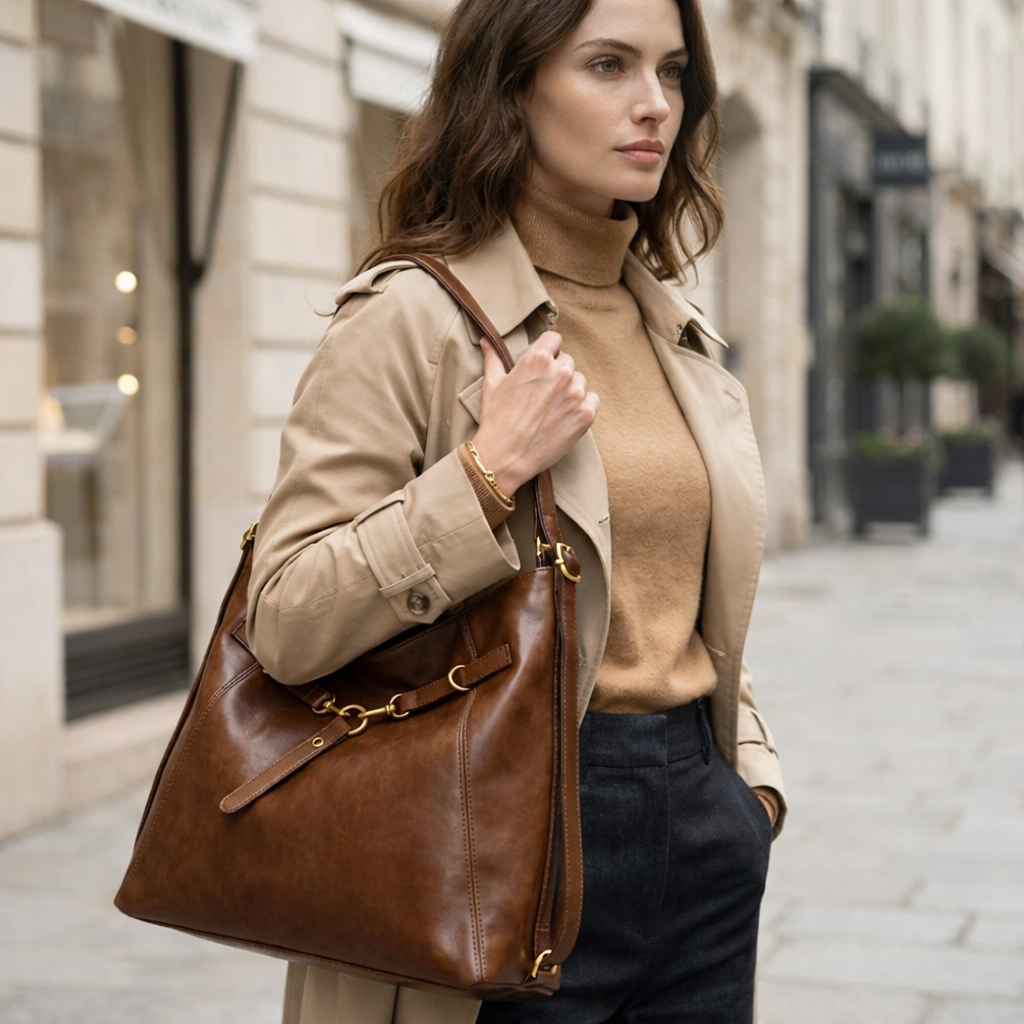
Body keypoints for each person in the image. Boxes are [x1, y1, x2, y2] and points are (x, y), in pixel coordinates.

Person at [247, 0, 785, 1020]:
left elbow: (678, 594)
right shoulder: (409, 315)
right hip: (488, 837)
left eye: (672, 72)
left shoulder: (670, 325)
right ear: (511, 86)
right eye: (608, 65)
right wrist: (484, 474)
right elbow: (284, 615)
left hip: (698, 840)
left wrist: (748, 784)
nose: (653, 104)